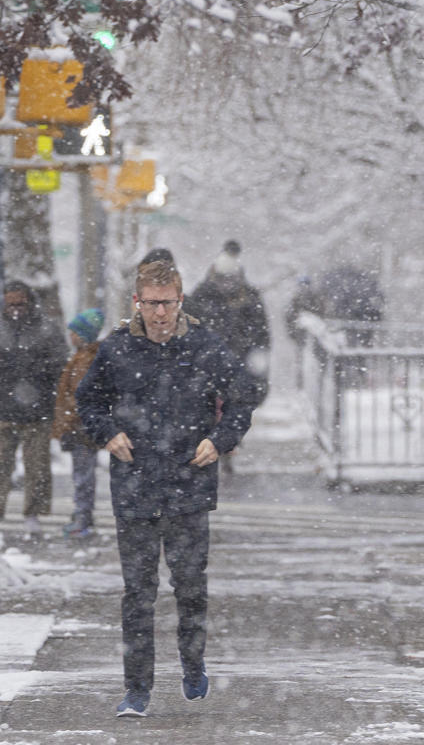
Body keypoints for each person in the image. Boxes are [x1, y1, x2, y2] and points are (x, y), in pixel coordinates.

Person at [75, 258, 263, 718]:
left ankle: (193, 664)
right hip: (135, 485)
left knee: (190, 586)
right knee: (138, 593)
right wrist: (107, 433)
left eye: (168, 303)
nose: (160, 313)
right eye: (152, 303)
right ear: (137, 303)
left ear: (180, 301)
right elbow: (88, 399)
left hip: (189, 483)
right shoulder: (117, 349)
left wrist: (220, 439)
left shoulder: (204, 346)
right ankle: (137, 688)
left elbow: (242, 396)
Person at [0, 280, 68, 535]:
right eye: (11, 304)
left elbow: (60, 364)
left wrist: (34, 367)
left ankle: (33, 514)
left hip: (37, 410)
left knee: (36, 465)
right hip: (3, 408)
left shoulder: (47, 329)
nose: (16, 309)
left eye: (20, 304)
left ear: (30, 303)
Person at [51, 307, 106, 538]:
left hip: (81, 427)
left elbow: (78, 396)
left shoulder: (84, 360)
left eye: (74, 332)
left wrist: (69, 421)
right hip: (83, 425)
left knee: (82, 475)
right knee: (83, 473)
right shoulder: (84, 357)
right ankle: (82, 515)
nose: (70, 336)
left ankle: (83, 517)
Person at [188, 240, 271, 385]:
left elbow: (261, 335)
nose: (227, 284)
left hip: (239, 367)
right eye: (223, 279)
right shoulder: (201, 296)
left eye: (231, 279)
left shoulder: (250, 298)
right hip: (208, 369)